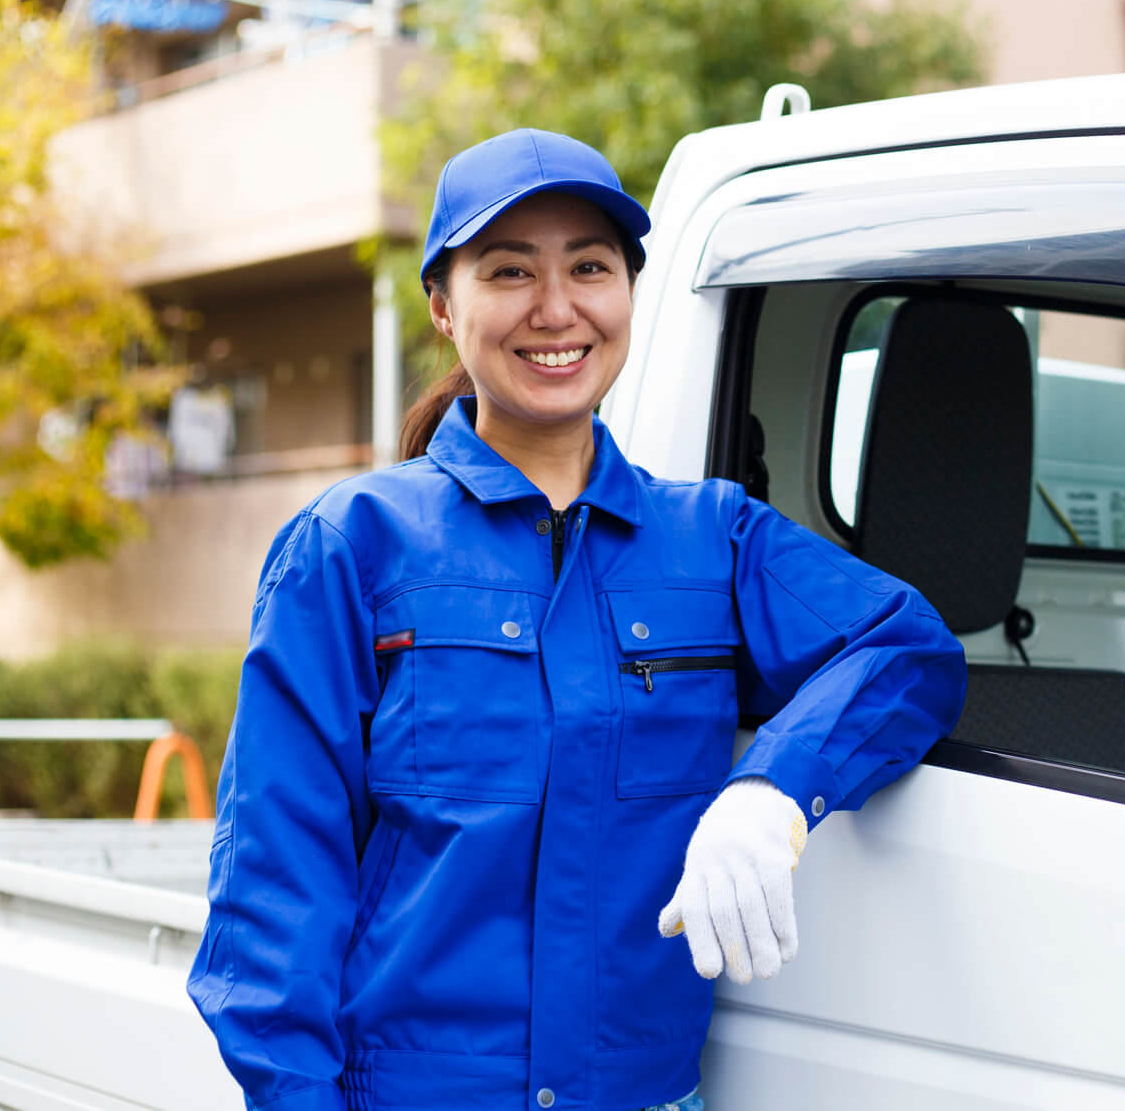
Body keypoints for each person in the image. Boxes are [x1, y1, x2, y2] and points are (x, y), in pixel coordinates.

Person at [187, 128, 967, 1111]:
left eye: (589, 267)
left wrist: (773, 792)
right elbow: (274, 886)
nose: (555, 309)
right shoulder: (353, 546)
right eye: (508, 271)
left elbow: (905, 648)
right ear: (442, 303)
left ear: (627, 294)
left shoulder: (712, 541)